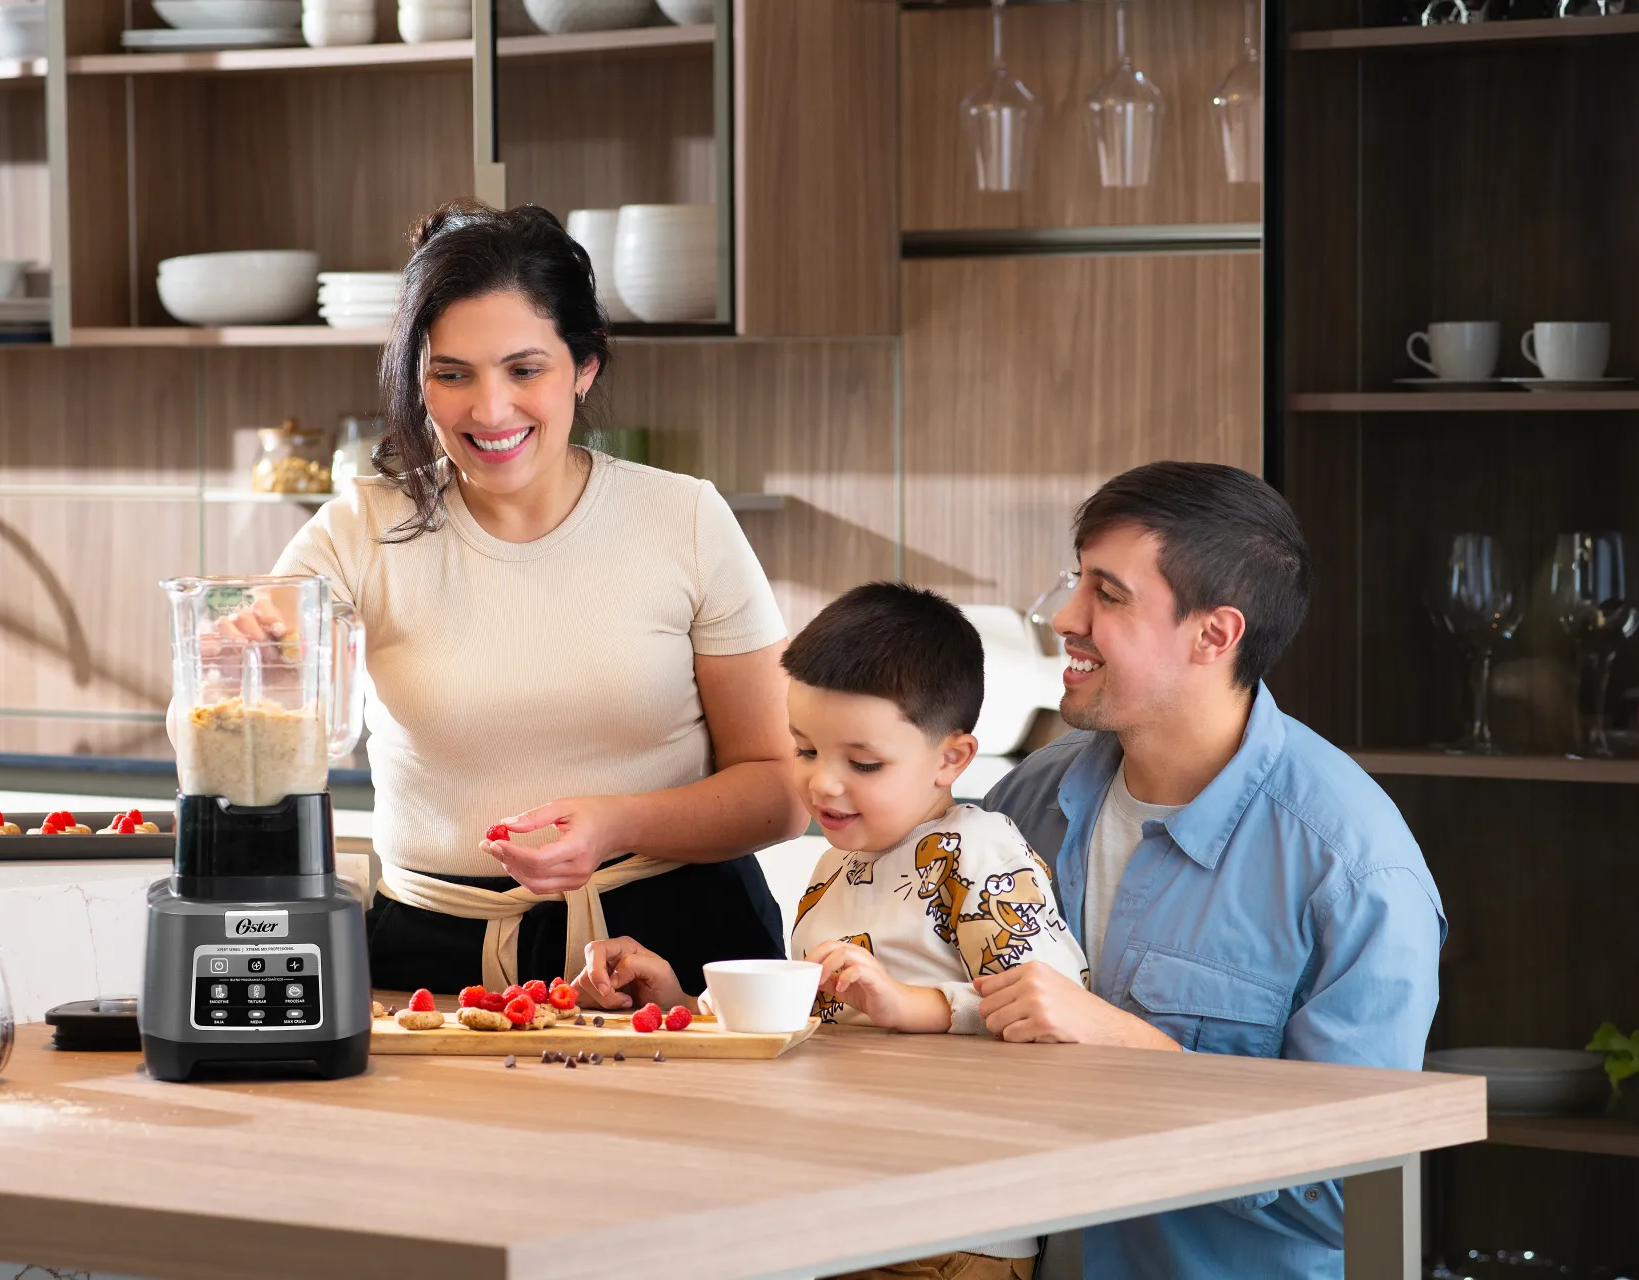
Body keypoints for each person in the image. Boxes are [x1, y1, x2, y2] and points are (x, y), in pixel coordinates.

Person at [275, 198, 809, 997]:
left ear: (584, 365)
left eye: (525, 370)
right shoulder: (356, 531)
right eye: (451, 374)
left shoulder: (686, 519)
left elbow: (778, 791)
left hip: (674, 945)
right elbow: (238, 713)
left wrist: (618, 822)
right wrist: (250, 660)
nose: (490, 410)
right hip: (428, 963)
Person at [976, 461, 1446, 1280]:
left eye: (1107, 595)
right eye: (1076, 581)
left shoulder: (1353, 870)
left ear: (1215, 635)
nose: (1064, 618)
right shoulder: (1022, 805)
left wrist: (1140, 1056)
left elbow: (1356, 1194)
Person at [580, 582, 1090, 1280]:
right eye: (804, 750)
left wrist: (908, 1005)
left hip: (952, 1233)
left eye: (863, 763)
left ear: (951, 759)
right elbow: (817, 1026)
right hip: (839, 1212)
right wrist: (675, 1001)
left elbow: (1054, 1010)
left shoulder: (981, 853)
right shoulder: (833, 868)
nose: (823, 784)